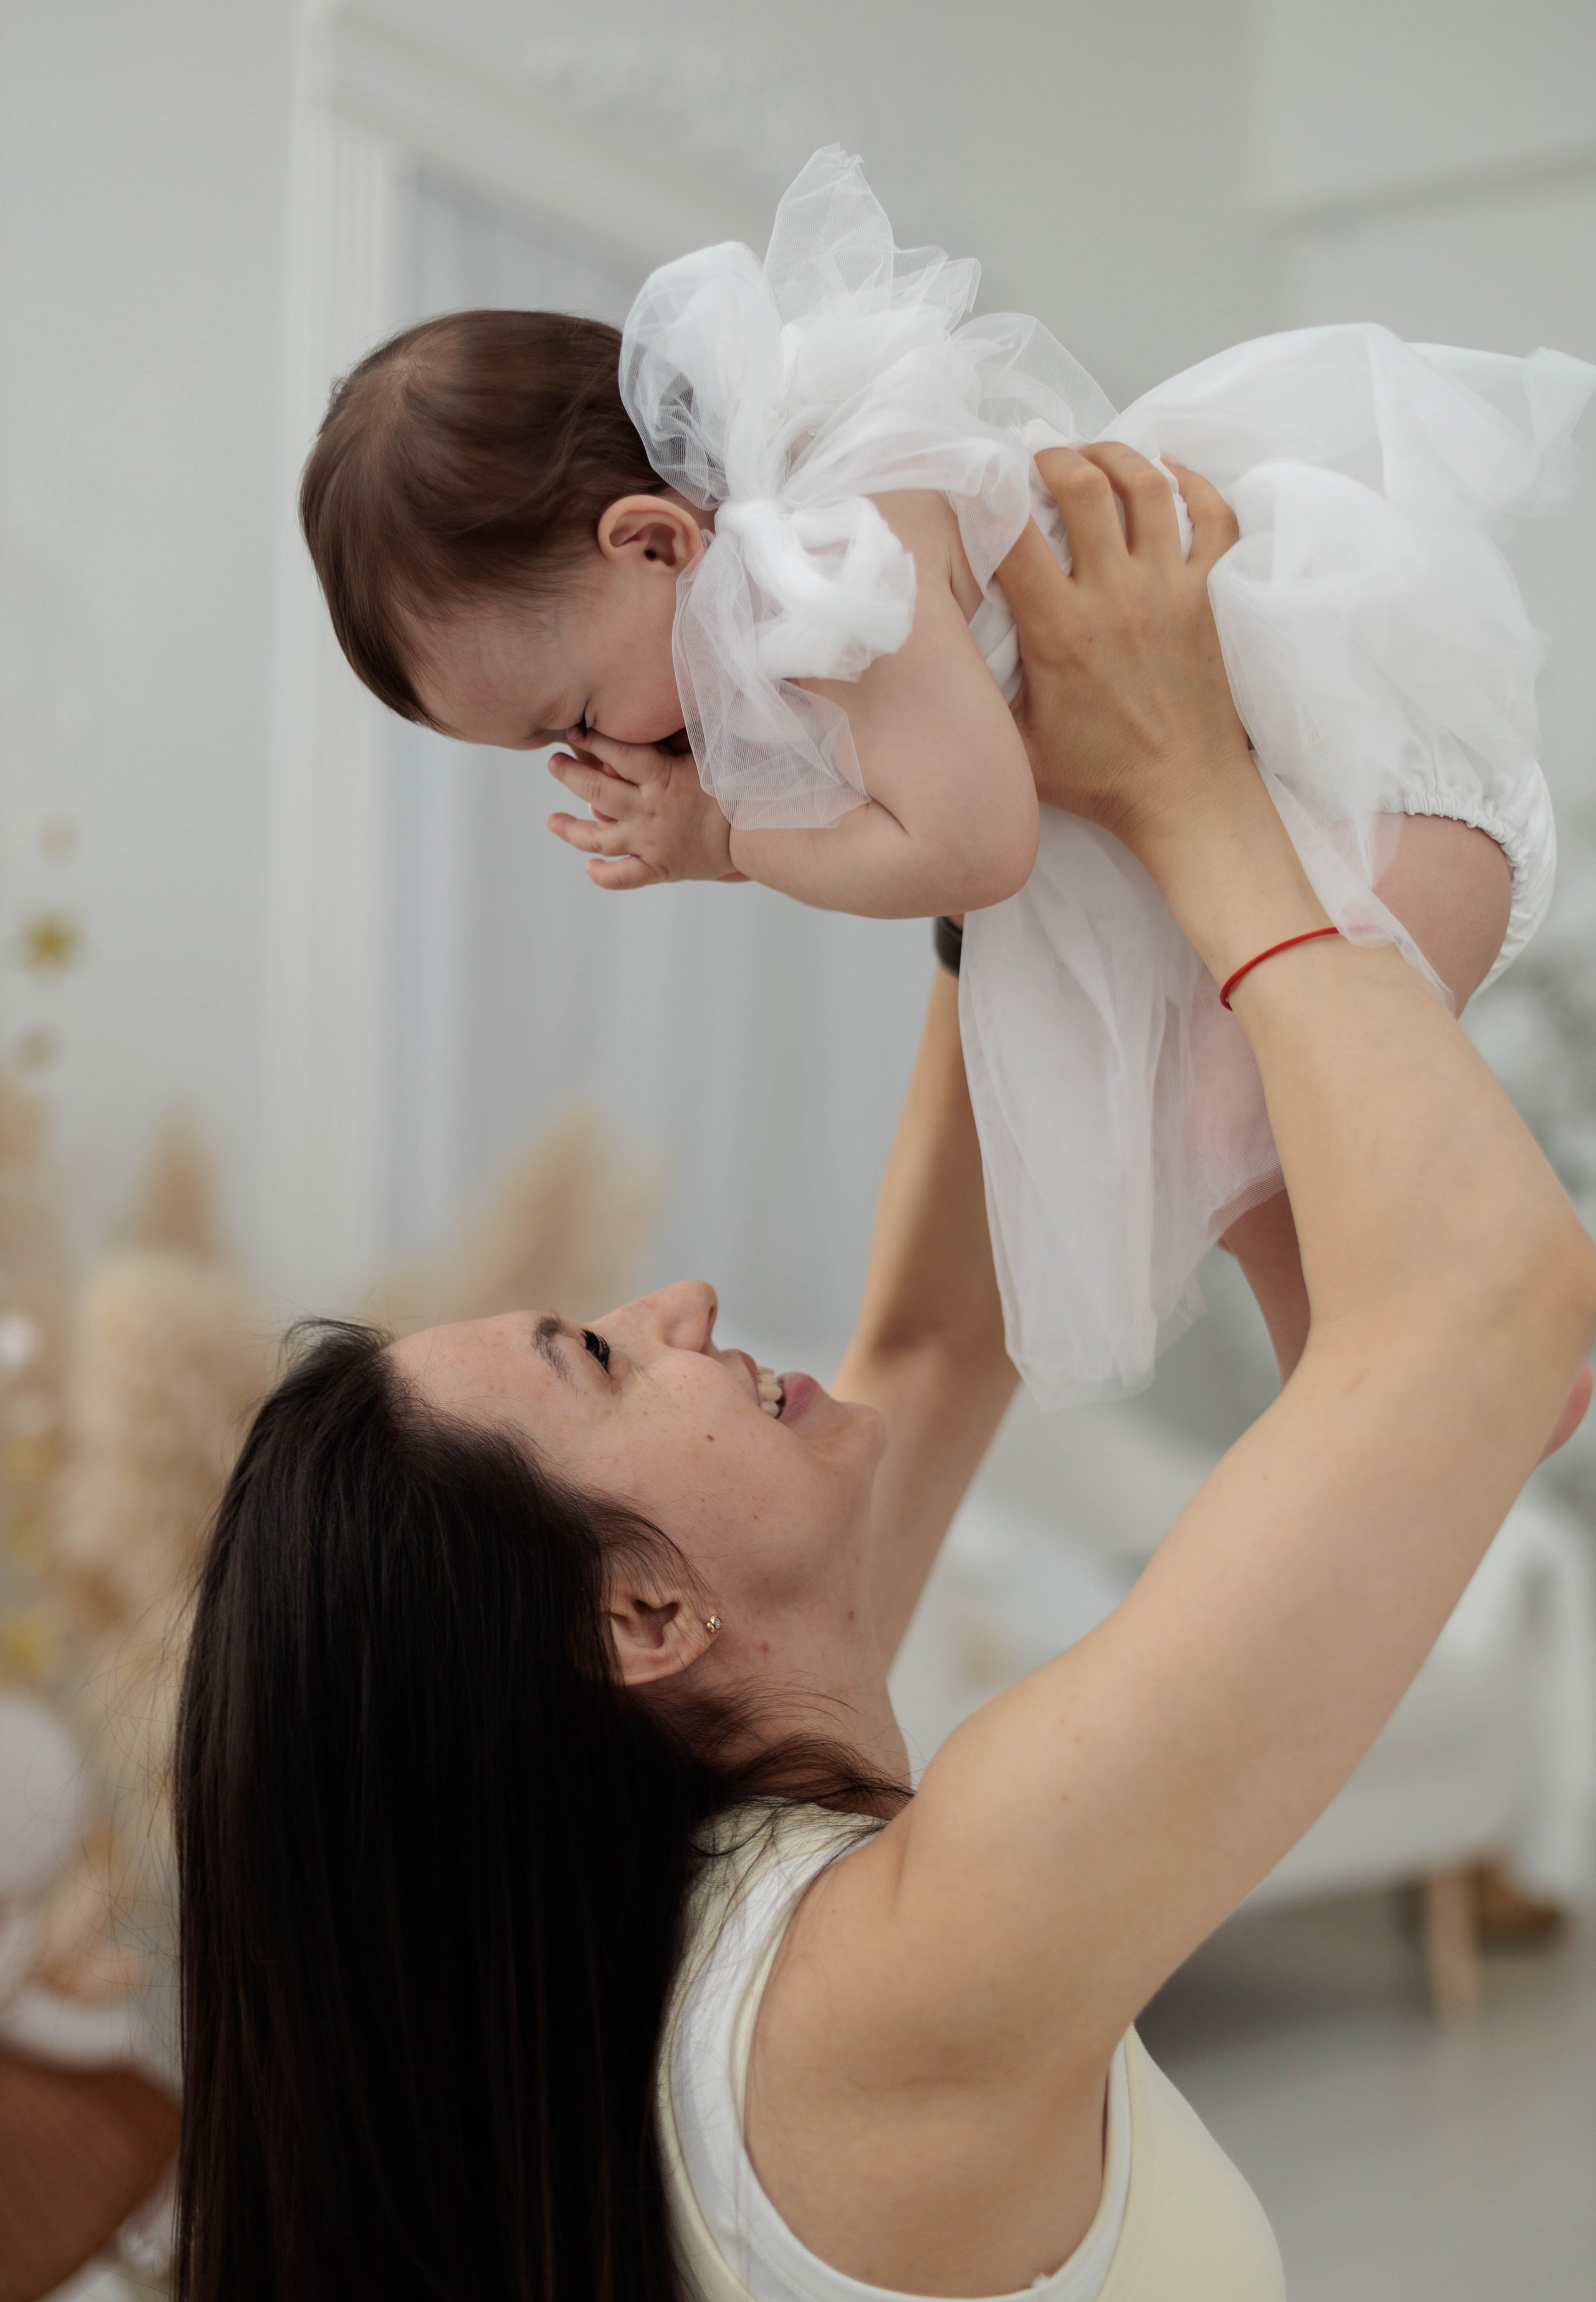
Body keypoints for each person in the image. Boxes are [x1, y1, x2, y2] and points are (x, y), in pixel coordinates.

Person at [176, 445, 1596, 2302]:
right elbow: (1490, 1316)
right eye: (595, 1355)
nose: (678, 1302)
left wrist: (990, 793)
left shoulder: (648, 1971)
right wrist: (1189, 791)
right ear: (642, 1616)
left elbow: (934, 1340)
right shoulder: (889, 1991)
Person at [297, 147, 1596, 1422]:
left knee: (1249, 1131)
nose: (604, 757)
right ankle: (1414, 1386)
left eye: (577, 715)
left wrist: (726, 840)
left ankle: (1456, 1355)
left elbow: (975, 849)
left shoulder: (823, 565)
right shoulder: (769, 564)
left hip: (1361, 795)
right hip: (1279, 823)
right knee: (1233, 1152)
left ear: (650, 541)